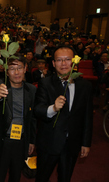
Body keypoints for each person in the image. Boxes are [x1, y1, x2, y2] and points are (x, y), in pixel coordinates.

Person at [34, 45, 93, 182]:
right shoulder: (45, 83)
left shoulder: (85, 86)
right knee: (42, 177)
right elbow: (38, 110)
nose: (64, 63)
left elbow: (87, 117)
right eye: (59, 60)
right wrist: (53, 108)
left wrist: (85, 143)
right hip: (49, 142)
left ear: (74, 62)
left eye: (67, 59)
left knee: (65, 178)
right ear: (53, 63)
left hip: (71, 143)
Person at [0, 57, 36, 182]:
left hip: (20, 141)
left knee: (16, 175)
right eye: (12, 68)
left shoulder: (31, 90)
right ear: (7, 71)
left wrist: (31, 141)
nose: (16, 72)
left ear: (25, 69)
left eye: (19, 68)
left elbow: (32, 118)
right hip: (2, 140)